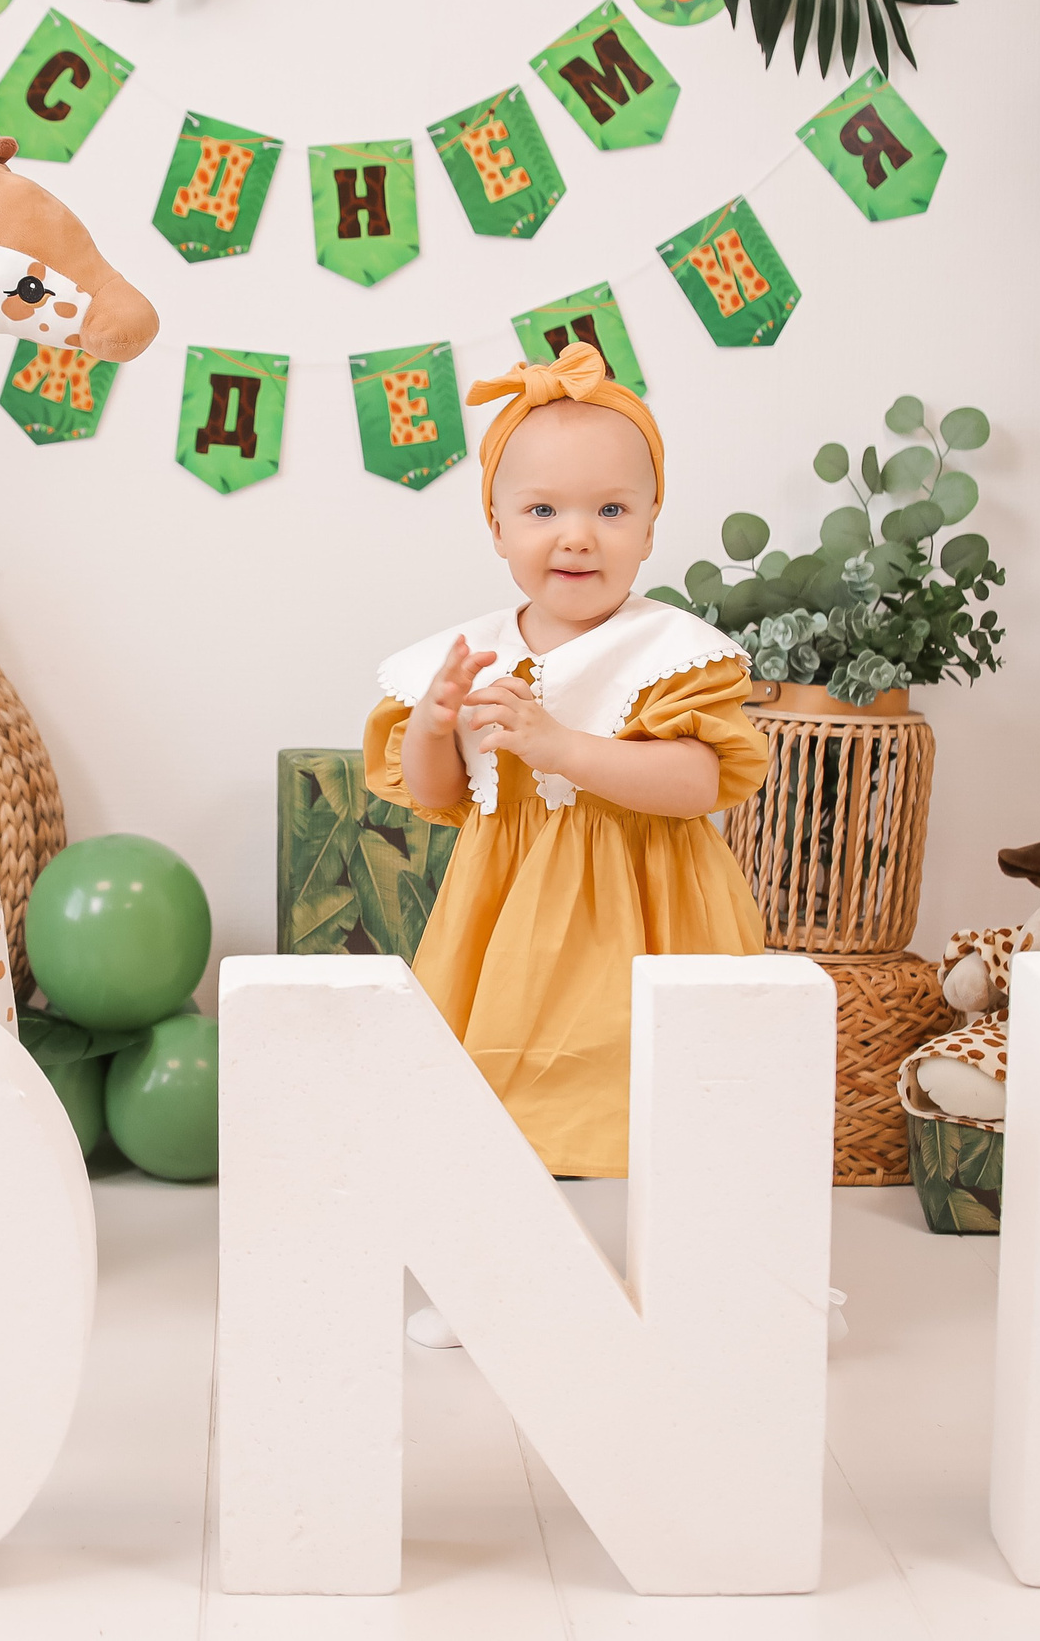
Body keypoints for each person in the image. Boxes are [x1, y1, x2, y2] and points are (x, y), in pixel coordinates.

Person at [363, 343, 770, 1348]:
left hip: (654, 903)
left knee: (689, 1098)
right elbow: (438, 798)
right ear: (497, 526)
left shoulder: (669, 651)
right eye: (542, 510)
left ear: (647, 525)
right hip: (508, 915)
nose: (575, 537)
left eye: (609, 511)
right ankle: (486, 1278)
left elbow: (701, 780)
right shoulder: (465, 654)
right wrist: (433, 722)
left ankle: (745, 1275)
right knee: (489, 1091)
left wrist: (562, 746)